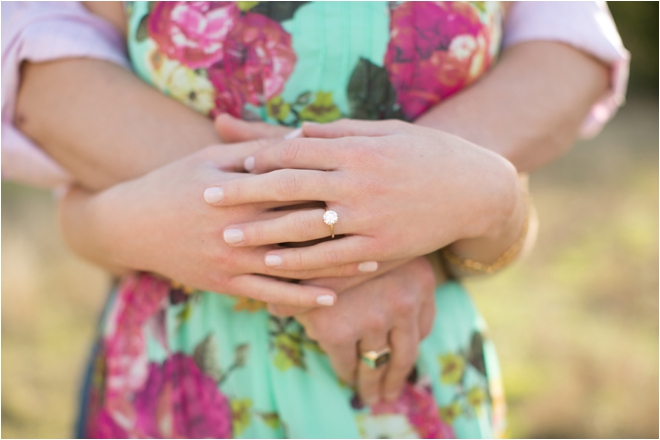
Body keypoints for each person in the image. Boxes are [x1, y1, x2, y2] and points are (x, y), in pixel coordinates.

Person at [3, 1, 628, 438]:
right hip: (174, 382)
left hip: (411, 367)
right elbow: (38, 67)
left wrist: (446, 198)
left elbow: (569, 46)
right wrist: (351, 240)